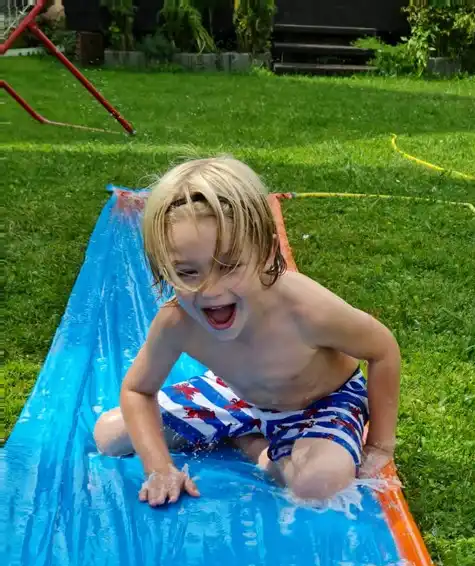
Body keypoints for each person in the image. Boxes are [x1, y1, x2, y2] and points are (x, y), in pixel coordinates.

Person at [94, 156, 400, 507]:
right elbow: (136, 390)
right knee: (110, 435)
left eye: (229, 266)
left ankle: (256, 448)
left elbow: (383, 349)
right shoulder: (178, 322)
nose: (210, 290)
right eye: (188, 272)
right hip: (239, 396)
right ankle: (246, 430)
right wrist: (159, 467)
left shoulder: (305, 309)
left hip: (322, 402)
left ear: (268, 252)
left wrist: (379, 444)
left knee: (317, 484)